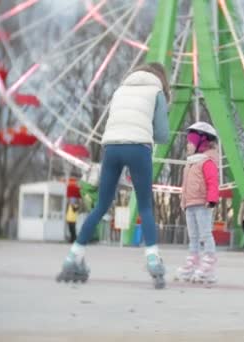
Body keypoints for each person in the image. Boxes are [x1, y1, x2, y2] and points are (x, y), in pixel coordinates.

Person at [56, 62, 170, 289]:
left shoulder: (120, 90)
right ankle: (153, 259)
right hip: (138, 147)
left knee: (100, 206)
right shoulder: (157, 92)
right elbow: (163, 134)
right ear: (160, 78)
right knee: (145, 207)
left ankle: (73, 256)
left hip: (111, 147)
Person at [175, 122, 220, 284]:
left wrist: (212, 199)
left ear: (202, 143)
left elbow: (212, 181)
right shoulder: (191, 162)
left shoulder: (207, 162)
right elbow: (185, 185)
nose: (187, 146)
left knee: (205, 234)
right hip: (190, 204)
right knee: (193, 236)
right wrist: (184, 201)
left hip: (203, 203)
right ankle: (193, 262)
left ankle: (209, 263)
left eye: (190, 143)